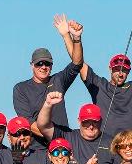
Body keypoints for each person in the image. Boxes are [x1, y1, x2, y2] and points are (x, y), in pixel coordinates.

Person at [60, 17, 132, 138]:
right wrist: (69, 36)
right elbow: (77, 62)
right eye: (117, 69)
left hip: (127, 147)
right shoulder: (99, 85)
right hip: (103, 146)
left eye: (125, 70)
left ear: (129, 71)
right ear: (110, 68)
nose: (121, 73)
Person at [13, 16, 84, 146]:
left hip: (64, 147)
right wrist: (54, 137)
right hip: (39, 148)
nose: (43, 67)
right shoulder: (21, 88)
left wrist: (75, 38)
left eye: (47, 63)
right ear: (32, 65)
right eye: (39, 64)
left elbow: (77, 63)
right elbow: (28, 122)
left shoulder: (58, 80)